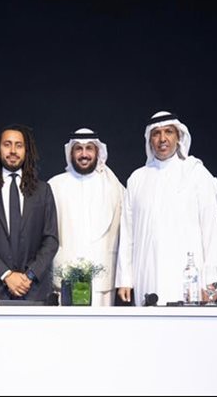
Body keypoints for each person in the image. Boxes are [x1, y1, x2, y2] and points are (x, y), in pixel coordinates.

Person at [115, 111, 217, 306]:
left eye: (168, 132)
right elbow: (127, 234)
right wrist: (125, 279)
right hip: (147, 274)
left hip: (188, 277)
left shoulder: (196, 173)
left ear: (179, 136)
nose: (162, 139)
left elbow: (211, 231)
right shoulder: (137, 179)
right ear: (149, 140)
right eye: (156, 133)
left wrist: (211, 282)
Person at [0, 124, 59, 302]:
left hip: (33, 288)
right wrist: (7, 275)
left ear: (26, 151)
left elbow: (51, 239)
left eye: (19, 145)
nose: (12, 151)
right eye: (7, 144)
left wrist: (30, 275)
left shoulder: (43, 191)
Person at [48, 128, 125, 306]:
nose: (84, 154)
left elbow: (127, 235)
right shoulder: (55, 185)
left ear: (98, 152)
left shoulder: (115, 188)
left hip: (102, 280)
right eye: (78, 149)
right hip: (64, 277)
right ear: (71, 153)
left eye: (89, 148)